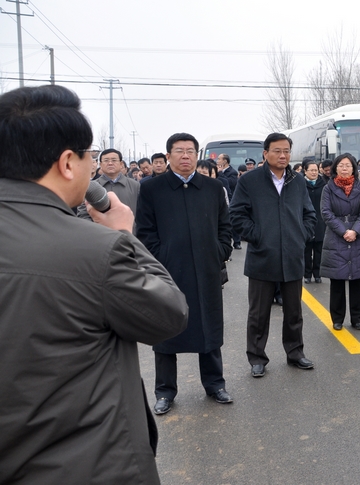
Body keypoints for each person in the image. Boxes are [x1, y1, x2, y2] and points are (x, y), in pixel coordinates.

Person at [0, 85, 188, 484]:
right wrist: (125, 236)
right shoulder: (96, 249)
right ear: (68, 163)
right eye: (90, 155)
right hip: (88, 465)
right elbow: (168, 315)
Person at [136, 133, 233, 415]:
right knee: (166, 329)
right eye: (179, 151)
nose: (186, 156)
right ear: (168, 156)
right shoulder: (153, 189)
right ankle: (165, 391)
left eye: (190, 151)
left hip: (206, 269)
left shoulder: (212, 188)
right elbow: (145, 232)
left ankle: (215, 384)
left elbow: (224, 227)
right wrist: (161, 258)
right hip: (168, 272)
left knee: (209, 326)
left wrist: (219, 251)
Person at [230, 133, 317, 376]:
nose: (282, 155)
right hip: (262, 255)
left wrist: (301, 235)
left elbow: (309, 214)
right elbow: (236, 215)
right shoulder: (250, 181)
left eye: (287, 151)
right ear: (265, 153)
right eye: (277, 151)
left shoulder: (297, 181)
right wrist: (258, 236)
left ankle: (295, 352)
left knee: (294, 311)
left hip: (292, 255)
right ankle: (257, 358)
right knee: (258, 313)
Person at [320, 153, 360, 331]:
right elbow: (326, 213)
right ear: (335, 168)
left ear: (353, 168)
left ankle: (357, 318)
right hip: (336, 236)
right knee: (337, 279)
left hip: (357, 236)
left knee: (356, 279)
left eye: (348, 165)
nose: (344, 168)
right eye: (341, 165)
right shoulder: (328, 188)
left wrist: (356, 230)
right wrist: (344, 231)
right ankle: (337, 318)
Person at [77, 147, 140, 219]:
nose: (110, 163)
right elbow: (83, 214)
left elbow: (142, 212)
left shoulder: (135, 186)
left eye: (114, 160)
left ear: (121, 164)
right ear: (100, 164)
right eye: (106, 160)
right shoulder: (90, 187)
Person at [303, 160, 325, 283]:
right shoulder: (301, 184)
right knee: (306, 250)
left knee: (319, 250)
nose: (314, 172)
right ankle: (307, 274)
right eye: (311, 170)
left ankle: (317, 274)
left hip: (321, 221)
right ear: (305, 171)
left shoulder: (324, 184)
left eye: (316, 170)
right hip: (306, 221)